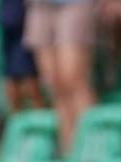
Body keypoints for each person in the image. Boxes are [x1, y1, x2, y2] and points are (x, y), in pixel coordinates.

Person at [23, 0, 98, 150]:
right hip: (39, 6)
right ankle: (71, 151)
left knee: (74, 79)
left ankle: (94, 148)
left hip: (75, 4)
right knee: (53, 84)